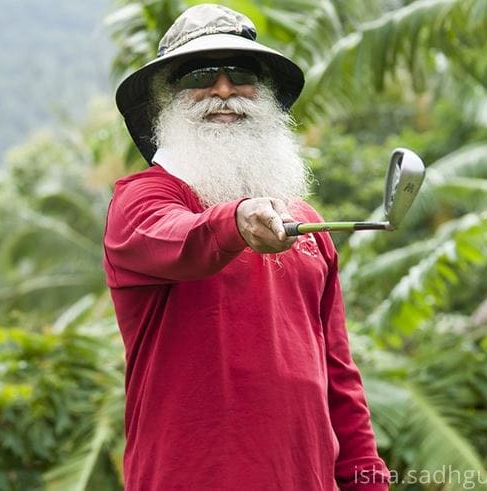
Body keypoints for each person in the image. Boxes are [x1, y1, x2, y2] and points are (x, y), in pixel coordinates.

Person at [104, 4, 391, 490]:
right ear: (166, 98)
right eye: (199, 76)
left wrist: (368, 480)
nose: (223, 90)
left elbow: (339, 375)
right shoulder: (140, 200)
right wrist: (236, 220)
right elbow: (183, 239)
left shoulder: (305, 222)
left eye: (241, 74)